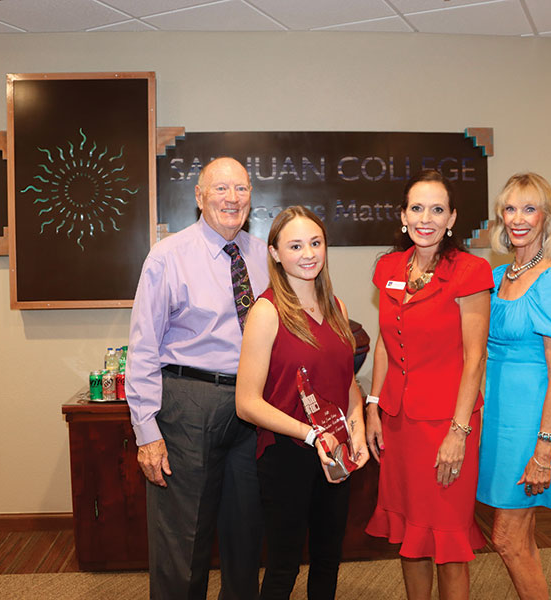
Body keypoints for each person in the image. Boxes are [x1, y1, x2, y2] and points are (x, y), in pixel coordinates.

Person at [126, 157, 266, 600]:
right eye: (220, 189)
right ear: (199, 196)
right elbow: (144, 346)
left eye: (240, 189)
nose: (232, 198)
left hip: (253, 405)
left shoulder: (262, 255)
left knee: (246, 534)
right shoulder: (168, 256)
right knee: (183, 539)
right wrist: (146, 431)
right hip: (190, 404)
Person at [364, 170, 492, 600]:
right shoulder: (388, 268)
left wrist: (459, 432)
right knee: (410, 538)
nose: (426, 218)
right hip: (399, 424)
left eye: (437, 209)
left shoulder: (469, 271)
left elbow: (475, 358)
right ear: (402, 216)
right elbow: (384, 341)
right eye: (417, 208)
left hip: (446, 425)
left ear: (452, 218)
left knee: (449, 543)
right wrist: (374, 407)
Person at [235, 206, 369, 600]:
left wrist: (356, 431)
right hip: (288, 453)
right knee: (283, 567)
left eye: (315, 242)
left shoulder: (337, 307)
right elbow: (246, 403)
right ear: (275, 253)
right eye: (295, 245)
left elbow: (348, 384)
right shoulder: (266, 311)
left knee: (328, 560)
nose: (308, 253)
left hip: (336, 451)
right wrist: (312, 436)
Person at [477, 172, 551, 600]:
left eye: (529, 208)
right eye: (510, 208)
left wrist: (544, 450)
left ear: (547, 218)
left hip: (534, 423)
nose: (518, 218)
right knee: (521, 539)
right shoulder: (499, 274)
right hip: (501, 417)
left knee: (505, 538)